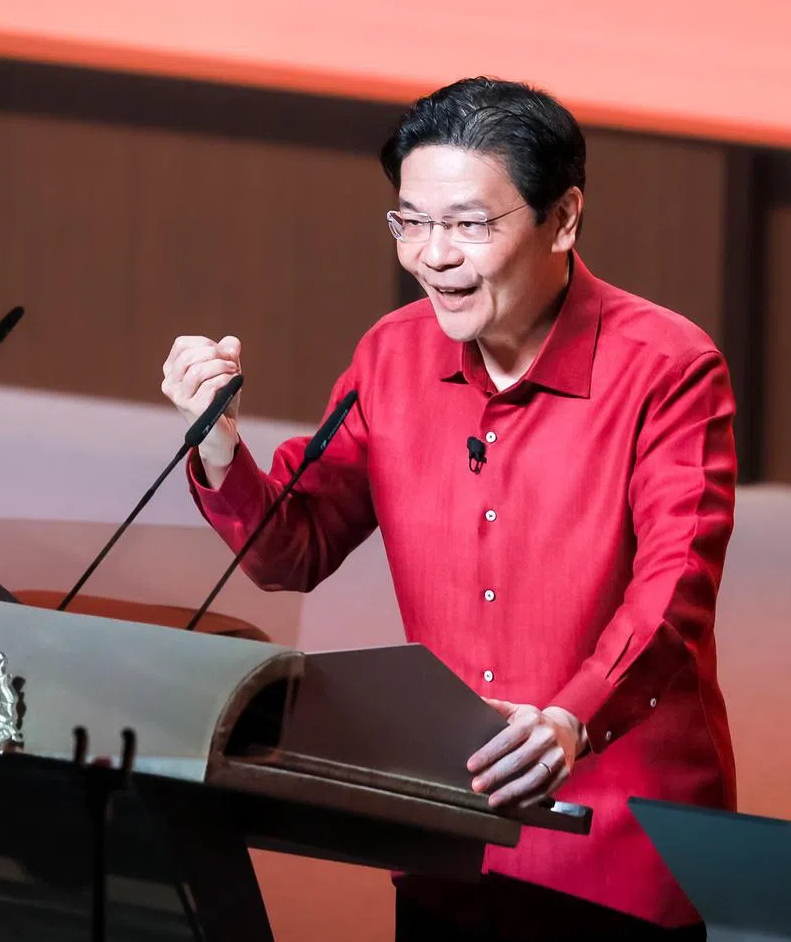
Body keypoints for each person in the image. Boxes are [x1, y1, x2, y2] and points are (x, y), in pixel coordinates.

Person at [161, 77, 737, 941]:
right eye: (411, 221)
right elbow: (294, 548)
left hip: (620, 838)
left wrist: (572, 717)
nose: (434, 255)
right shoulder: (390, 357)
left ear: (564, 217)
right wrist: (217, 444)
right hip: (447, 821)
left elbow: (675, 585)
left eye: (470, 224)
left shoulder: (669, 367)